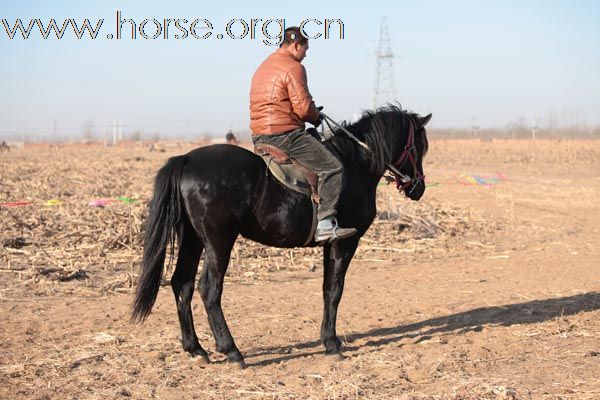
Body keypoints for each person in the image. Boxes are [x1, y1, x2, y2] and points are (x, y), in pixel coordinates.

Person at [249, 26, 356, 243]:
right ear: (296, 45)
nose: (306, 54)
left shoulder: (264, 65)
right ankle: (326, 224)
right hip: (285, 135)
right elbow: (303, 108)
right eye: (306, 49)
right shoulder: (293, 67)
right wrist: (315, 115)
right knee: (332, 167)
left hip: (260, 135)